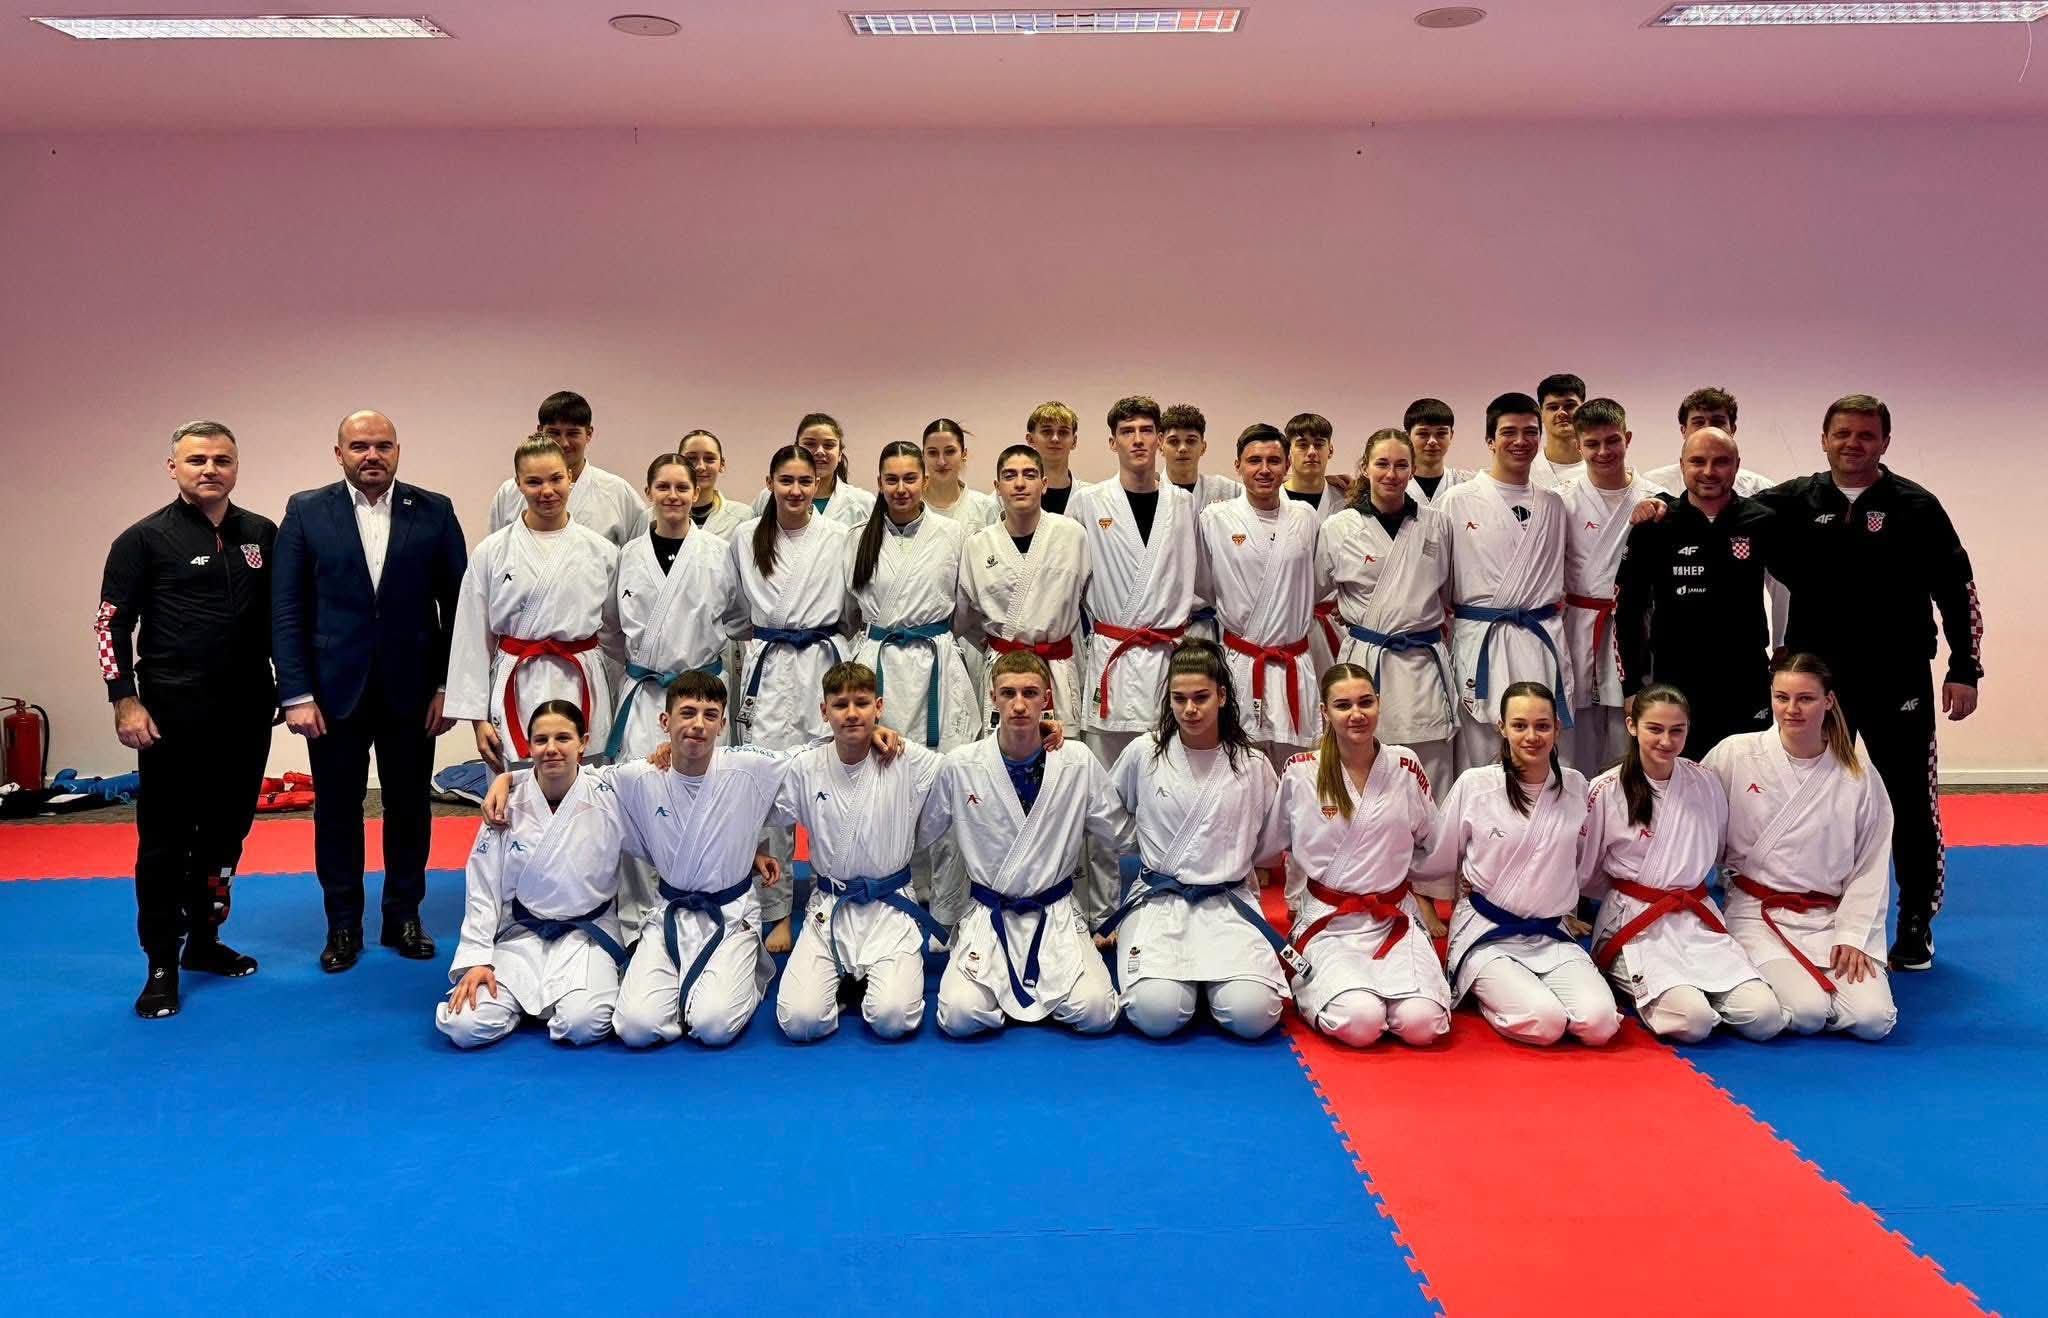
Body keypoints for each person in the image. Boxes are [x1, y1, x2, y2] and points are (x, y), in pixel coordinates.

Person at [1749, 395, 1981, 973]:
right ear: (1824, 439)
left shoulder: (1916, 506)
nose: (1853, 444)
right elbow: (1717, 506)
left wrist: (1964, 668)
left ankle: (1915, 919)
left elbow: (1958, 589)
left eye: (1866, 435)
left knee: (1910, 800)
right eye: (1843, 434)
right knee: (1812, 796)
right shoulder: (1792, 502)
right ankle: (1815, 910)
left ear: (1884, 443)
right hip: (1820, 683)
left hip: (1898, 676)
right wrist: (1657, 509)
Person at [273, 409, 467, 973]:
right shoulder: (306, 511)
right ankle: (342, 924)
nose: (372, 455)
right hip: (333, 692)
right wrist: (296, 693)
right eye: (359, 446)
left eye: (383, 445)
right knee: (337, 810)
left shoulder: (434, 510)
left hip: (414, 690)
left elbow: (460, 606)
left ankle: (404, 915)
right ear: (339, 454)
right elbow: (286, 608)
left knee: (410, 807)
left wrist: (448, 686)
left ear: (398, 451)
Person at [98, 420, 276, 1019]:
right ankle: (160, 962)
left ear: (236, 467)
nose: (210, 469)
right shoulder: (143, 539)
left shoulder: (261, 533)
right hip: (173, 711)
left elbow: (282, 617)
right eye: (197, 459)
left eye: (222, 460)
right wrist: (124, 698)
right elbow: (109, 624)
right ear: (172, 467)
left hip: (247, 709)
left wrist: (293, 686)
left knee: (227, 832)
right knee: (166, 840)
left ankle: (203, 939)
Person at [921, 652, 1130, 1037]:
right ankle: (1025, 996)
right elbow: (921, 833)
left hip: (1055, 914)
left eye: (1030, 693)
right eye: (1008, 693)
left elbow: (1120, 832)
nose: (1019, 704)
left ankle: (1018, 997)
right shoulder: (961, 764)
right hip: (989, 913)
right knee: (959, 1018)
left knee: (1098, 1013)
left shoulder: (1077, 761)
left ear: (1047, 698)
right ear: (993, 698)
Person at [1101, 643, 1292, 1039]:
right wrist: (1140, 844)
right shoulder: (1145, 753)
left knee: (1254, 1016)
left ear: (1222, 696)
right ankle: (1193, 987)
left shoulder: (1253, 764)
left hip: (1228, 901)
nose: (1190, 709)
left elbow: (1270, 839)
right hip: (1160, 900)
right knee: (1156, 1014)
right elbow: (1108, 811)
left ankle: (1213, 986)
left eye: (1201, 697)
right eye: (1179, 698)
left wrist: (1230, 860)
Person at [1703, 654, 1898, 1039]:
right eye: (1781, 697)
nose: (1791, 709)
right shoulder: (1736, 754)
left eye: (1805, 698)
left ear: (1829, 701)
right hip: (1758, 914)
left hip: (1828, 917)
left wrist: (1853, 935)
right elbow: (1693, 818)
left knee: (1875, 1020)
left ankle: (1808, 991)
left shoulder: (1857, 773)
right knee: (1808, 1012)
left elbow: (1871, 865)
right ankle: (1740, 990)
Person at [1417, 682, 1620, 1046]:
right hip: (1487, 933)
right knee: (1546, 1022)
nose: (1532, 736)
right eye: (1520, 725)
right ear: (1502, 728)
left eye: (1542, 726)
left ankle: (1520, 991)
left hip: (1550, 933)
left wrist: (1564, 902)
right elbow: (1438, 856)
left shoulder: (1576, 787)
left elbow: (1583, 861)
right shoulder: (1476, 786)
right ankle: (1480, 990)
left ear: (1557, 729)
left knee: (1600, 1024)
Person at [1579, 685, 1785, 1043]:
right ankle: (1626, 974)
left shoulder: (1704, 781)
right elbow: (1586, 869)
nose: (1666, 740)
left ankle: (1692, 990)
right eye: (1655, 729)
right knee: (1694, 1022)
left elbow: (1717, 846)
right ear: (1632, 726)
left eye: (1677, 730)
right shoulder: (1606, 789)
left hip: (1694, 918)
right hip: (1635, 922)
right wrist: (1622, 894)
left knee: (1764, 1017)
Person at [1266, 664, 1450, 1047]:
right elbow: (1273, 845)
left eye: (1366, 702)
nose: (1357, 714)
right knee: (1360, 1022)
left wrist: (1414, 885)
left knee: (1423, 1024)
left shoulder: (1404, 765)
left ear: (1379, 704)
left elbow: (1433, 842)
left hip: (1392, 916)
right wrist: (1293, 902)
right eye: (1343, 705)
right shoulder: (1302, 773)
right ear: (1324, 711)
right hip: (1329, 923)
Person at [1071, 396, 1202, 929]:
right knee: (1102, 793)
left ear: (1161, 440)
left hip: (1168, 657)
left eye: (1149, 430)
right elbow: (1074, 580)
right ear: (1113, 442)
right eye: (1128, 431)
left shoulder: (1183, 503)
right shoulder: (1088, 502)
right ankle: (1101, 908)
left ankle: (1169, 895)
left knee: (1170, 784)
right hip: (1113, 656)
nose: (1140, 439)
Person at [606, 672, 785, 1048]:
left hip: (730, 913)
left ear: (723, 725)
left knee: (713, 1026)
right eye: (687, 713)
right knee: (635, 1029)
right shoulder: (641, 776)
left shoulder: (748, 767)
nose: (698, 724)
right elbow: (580, 782)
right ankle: (686, 995)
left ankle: (741, 980)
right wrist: (512, 782)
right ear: (665, 721)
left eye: (710, 715)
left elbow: (815, 762)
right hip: (670, 913)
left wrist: (871, 735)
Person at [772, 663, 947, 1041]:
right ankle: (848, 983)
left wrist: (1037, 737)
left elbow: (966, 773)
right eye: (840, 705)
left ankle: (870, 981)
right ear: (824, 712)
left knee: (893, 1019)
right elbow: (745, 780)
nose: (852, 713)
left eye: (862, 703)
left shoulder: (907, 758)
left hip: (890, 908)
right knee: (799, 1022)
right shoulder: (805, 765)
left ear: (879, 706)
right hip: (831, 906)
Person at [435, 701, 626, 1048]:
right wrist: (477, 960)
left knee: (583, 1025)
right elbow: (482, 888)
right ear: (528, 747)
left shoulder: (609, 793)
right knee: (464, 1027)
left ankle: (538, 1004)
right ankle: (526, 1002)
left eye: (563, 738)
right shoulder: (504, 804)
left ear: (583, 742)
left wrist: (509, 775)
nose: (551, 748)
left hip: (586, 937)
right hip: (520, 935)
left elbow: (657, 777)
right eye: (541, 740)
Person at [609, 453, 745, 932]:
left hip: (700, 694)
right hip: (646, 691)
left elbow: (737, 617)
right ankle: (637, 918)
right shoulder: (628, 555)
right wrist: (643, 665)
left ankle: (703, 903)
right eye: (663, 487)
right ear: (648, 492)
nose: (673, 496)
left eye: (682, 487)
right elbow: (611, 627)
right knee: (639, 796)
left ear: (696, 492)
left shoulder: (717, 552)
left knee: (703, 796)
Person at [732, 445, 855, 954]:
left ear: (818, 482)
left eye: (806, 481)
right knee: (769, 788)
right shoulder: (745, 537)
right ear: (770, 483)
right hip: (771, 664)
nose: (797, 490)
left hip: (822, 662)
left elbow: (853, 606)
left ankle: (833, 897)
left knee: (832, 782)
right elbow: (734, 608)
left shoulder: (839, 537)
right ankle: (776, 910)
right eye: (787, 480)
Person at [446, 436, 621, 775]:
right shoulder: (492, 552)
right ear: (518, 484)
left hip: (580, 680)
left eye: (556, 479)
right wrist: (478, 721)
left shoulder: (601, 551)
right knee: (516, 788)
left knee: (585, 784)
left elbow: (615, 636)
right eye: (534, 482)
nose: (547, 491)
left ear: (570, 477)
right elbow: (472, 637)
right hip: (518, 684)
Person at [1614, 427, 1783, 759]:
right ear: (1681, 465)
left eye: (1721, 462)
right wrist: (1632, 687)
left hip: (1744, 680)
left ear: (1737, 465)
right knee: (1678, 778)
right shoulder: (1655, 525)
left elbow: (1804, 588)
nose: (1708, 471)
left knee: (1748, 778)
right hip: (1675, 681)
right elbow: (1627, 610)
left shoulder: (1763, 521)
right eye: (1697, 461)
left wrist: (1788, 655)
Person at [1436, 393, 1574, 772]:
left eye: (1530, 432)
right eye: (1509, 432)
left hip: (1540, 636)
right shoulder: (1456, 501)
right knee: (1482, 749)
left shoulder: (1554, 504)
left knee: (1541, 740)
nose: (1521, 441)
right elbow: (1440, 580)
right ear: (1490, 440)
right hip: (1482, 636)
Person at [1318, 429, 1457, 792]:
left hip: (1423, 662)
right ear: (1365, 467)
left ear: (1413, 470)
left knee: (1431, 773)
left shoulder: (1437, 523)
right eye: (1382, 464)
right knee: (1365, 765)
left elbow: (1449, 594)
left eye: (1401, 465)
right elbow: (1317, 592)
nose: (1391, 474)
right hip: (1368, 659)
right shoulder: (1338, 527)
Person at [1199, 423, 1323, 763]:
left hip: (1293, 660)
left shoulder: (1305, 516)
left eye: (1274, 460)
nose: (1264, 469)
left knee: (1298, 767)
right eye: (1254, 460)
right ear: (1237, 465)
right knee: (1241, 764)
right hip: (1241, 660)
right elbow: (1204, 585)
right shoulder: (1215, 519)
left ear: (1287, 466)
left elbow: (1315, 581)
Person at [1556, 399, 1661, 777]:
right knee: (1575, 740)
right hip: (1577, 626)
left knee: (1627, 733)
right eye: (1592, 443)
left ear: (1627, 439)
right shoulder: (1561, 500)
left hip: (1633, 627)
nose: (1603, 451)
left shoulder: (1657, 497)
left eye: (1612, 440)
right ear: (1578, 445)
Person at [957, 443, 1091, 731]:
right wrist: (995, 640)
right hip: (1004, 667)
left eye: (1029, 475)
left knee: (1061, 750)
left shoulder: (1073, 535)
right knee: (1001, 750)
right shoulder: (977, 545)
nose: (1019, 483)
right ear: (997, 487)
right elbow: (964, 617)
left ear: (1044, 484)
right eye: (1010, 476)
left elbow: (1091, 600)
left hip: (1056, 666)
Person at [487, 391, 647, 547]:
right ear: (540, 432)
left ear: (589, 434)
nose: (563, 443)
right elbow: (496, 550)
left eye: (573, 433)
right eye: (554, 433)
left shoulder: (617, 492)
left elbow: (641, 554)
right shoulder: (509, 493)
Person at [751, 412, 877, 526]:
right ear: (797, 449)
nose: (820, 452)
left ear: (839, 454)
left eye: (828, 445)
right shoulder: (767, 497)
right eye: (810, 444)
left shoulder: (863, 503)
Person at [920, 418, 1002, 532]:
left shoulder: (986, 508)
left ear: (964, 454)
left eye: (950, 451)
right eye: (933, 453)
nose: (941, 462)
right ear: (923, 456)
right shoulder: (910, 507)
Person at [1160, 403, 1242, 507]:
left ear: (1203, 447)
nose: (1182, 448)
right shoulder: (1147, 493)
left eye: (1191, 441)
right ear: (1160, 446)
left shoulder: (1228, 490)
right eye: (1174, 441)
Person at [678, 429, 753, 540]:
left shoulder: (743, 517)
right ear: (678, 463)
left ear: (722, 464)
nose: (700, 467)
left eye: (709, 459)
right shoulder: (654, 517)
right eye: (691, 459)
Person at [1403, 397, 1471, 511]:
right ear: (1407, 436)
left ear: (1451, 435)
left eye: (1441, 433)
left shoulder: (1467, 484)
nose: (1432, 441)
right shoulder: (1393, 483)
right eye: (1423, 434)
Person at [1022, 401, 1086, 516]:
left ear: (1074, 441)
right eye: (1046, 431)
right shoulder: (1007, 496)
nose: (1055, 439)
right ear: (1030, 439)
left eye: (1063, 432)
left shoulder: (1092, 497)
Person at [1528, 372, 1586, 489]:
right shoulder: (1526, 473)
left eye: (1570, 406)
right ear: (1540, 415)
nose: (1561, 413)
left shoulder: (1604, 469)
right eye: (1553, 407)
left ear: (1584, 410)